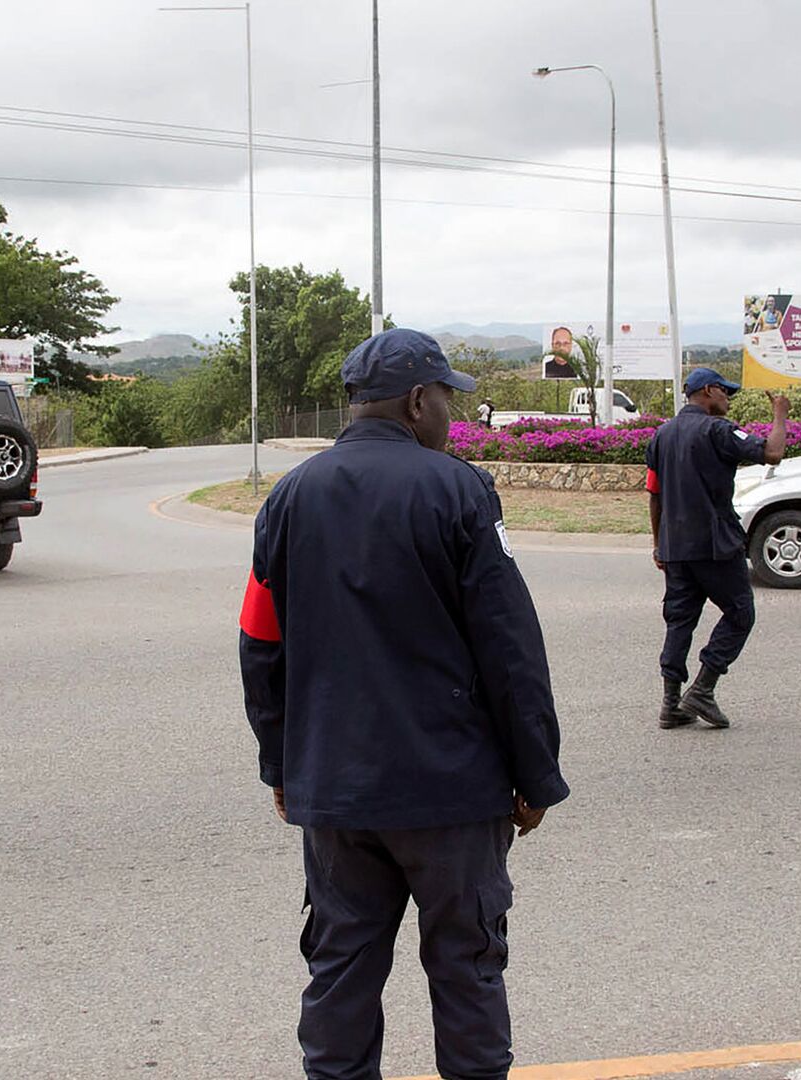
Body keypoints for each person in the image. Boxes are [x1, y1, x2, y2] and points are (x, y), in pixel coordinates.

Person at [239, 327, 569, 1080]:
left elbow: (261, 644)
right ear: (418, 401)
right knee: (467, 969)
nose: (449, 415)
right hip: (451, 792)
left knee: (341, 971)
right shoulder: (458, 490)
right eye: (446, 398)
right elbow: (510, 646)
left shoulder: (287, 499)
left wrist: (282, 766)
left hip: (336, 793)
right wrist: (536, 774)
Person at [644, 369, 786, 730]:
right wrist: (780, 415)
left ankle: (670, 703)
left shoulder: (661, 435)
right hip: (716, 544)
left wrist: (659, 542)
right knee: (740, 613)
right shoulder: (719, 430)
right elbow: (772, 452)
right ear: (707, 391)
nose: (728, 399)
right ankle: (703, 688)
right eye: (725, 392)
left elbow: (654, 492)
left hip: (676, 547)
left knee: (679, 621)